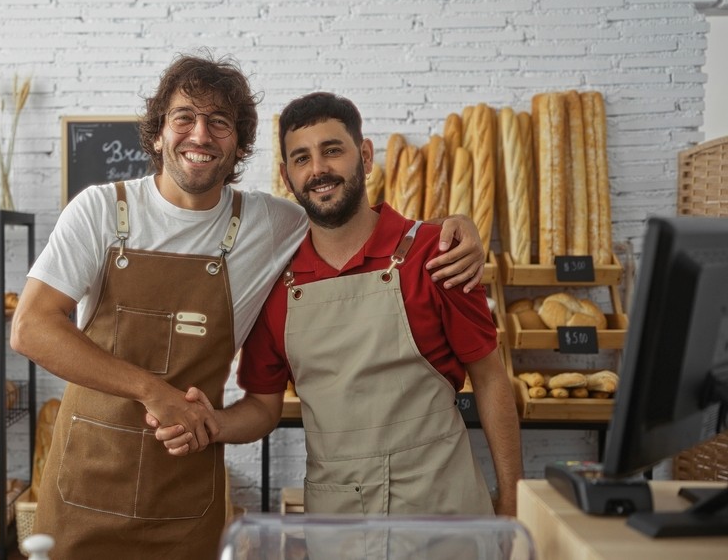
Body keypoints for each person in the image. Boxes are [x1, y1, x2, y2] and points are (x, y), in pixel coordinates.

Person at [10, 53, 485, 560]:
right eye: (184, 118)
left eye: (219, 123)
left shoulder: (271, 223)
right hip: (86, 483)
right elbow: (31, 328)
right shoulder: (101, 210)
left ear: (238, 144)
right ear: (157, 134)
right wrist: (152, 391)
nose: (200, 135)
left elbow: (347, 216)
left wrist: (454, 225)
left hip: (187, 489)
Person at [153, 91, 522, 519]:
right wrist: (212, 423)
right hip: (338, 520)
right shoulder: (276, 281)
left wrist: (512, 500)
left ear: (365, 156)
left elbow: (493, 380)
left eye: (332, 151)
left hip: (443, 510)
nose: (319, 170)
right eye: (302, 158)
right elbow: (263, 406)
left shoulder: (436, 255)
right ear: (286, 176)